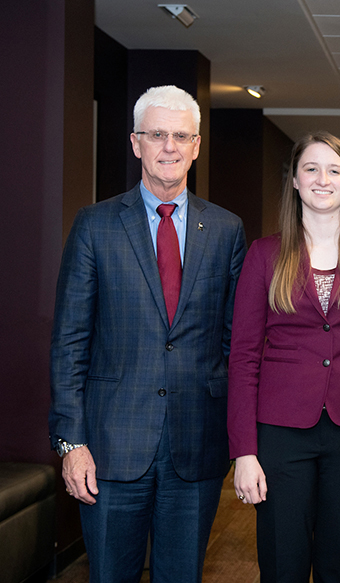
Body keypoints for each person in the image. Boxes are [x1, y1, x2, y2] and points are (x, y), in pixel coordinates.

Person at [49, 85, 247, 582]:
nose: (170, 147)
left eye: (181, 135)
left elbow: (234, 339)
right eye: (157, 134)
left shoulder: (225, 230)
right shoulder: (94, 226)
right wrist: (72, 444)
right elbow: (69, 340)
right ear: (135, 142)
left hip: (196, 445)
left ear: (197, 145)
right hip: (110, 448)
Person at [228, 131, 340, 583]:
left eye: (334, 170)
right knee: (281, 565)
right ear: (294, 179)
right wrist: (244, 452)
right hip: (280, 434)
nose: (322, 179)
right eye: (311, 168)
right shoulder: (265, 254)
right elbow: (243, 357)